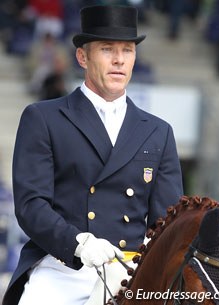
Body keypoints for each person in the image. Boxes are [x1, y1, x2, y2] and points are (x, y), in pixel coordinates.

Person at [2, 4, 183, 305]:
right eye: (107, 49)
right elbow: (31, 205)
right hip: (61, 269)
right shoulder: (44, 118)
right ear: (83, 57)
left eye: (127, 51)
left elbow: (168, 219)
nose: (118, 60)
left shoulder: (158, 131)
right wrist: (77, 243)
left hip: (129, 272)